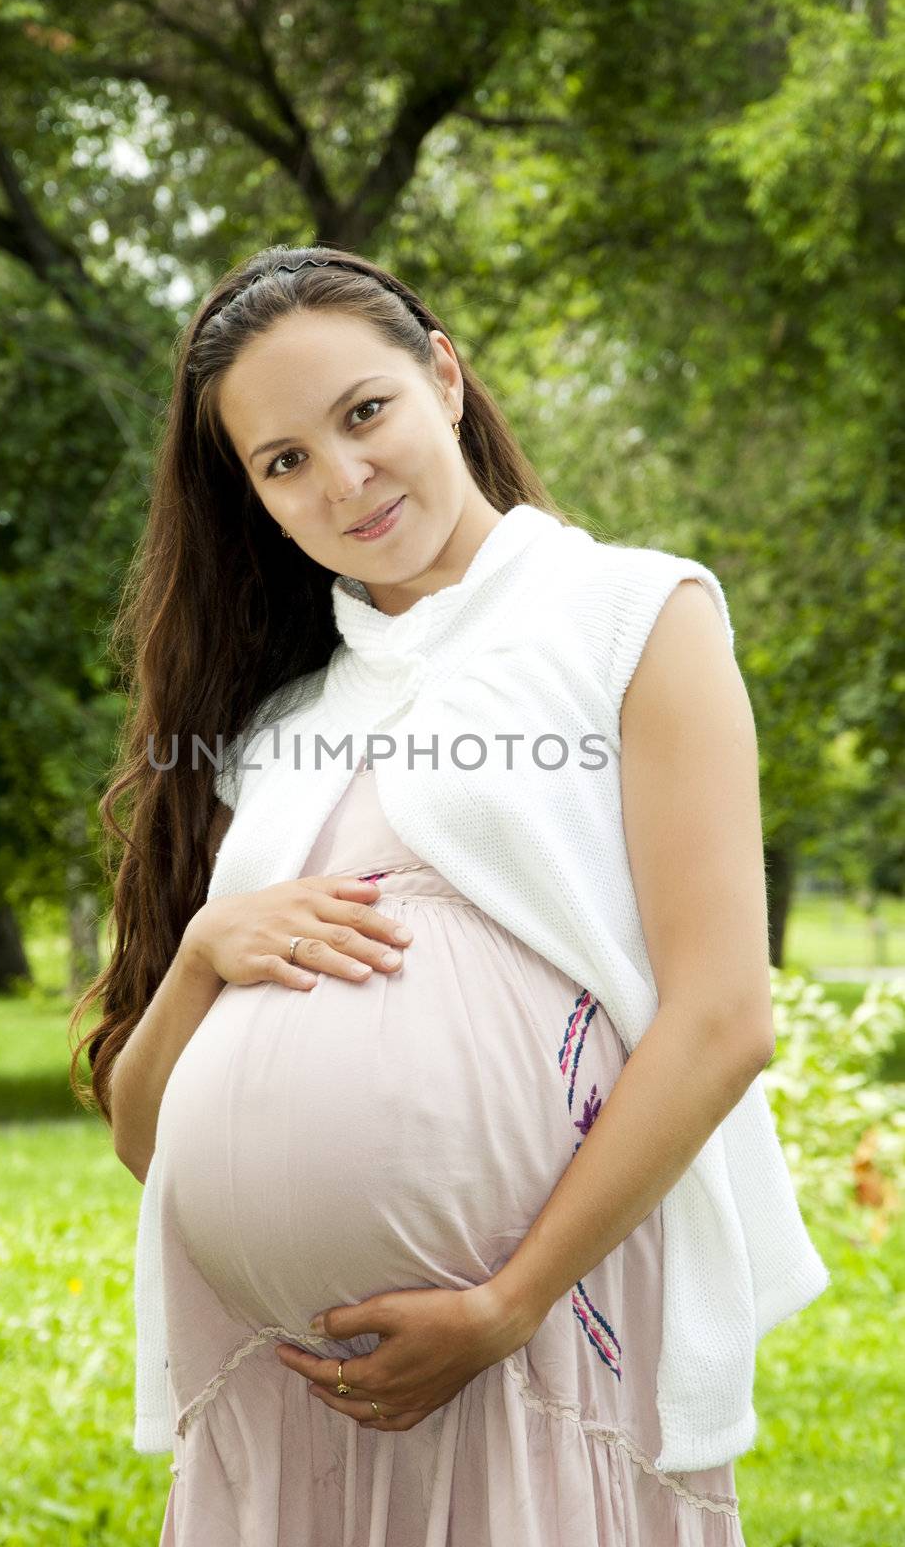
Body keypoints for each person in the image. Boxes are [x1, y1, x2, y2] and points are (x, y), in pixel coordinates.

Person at [69, 244, 828, 1546]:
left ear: (444, 377)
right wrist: (201, 956)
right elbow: (149, 1143)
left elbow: (723, 1019)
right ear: (252, 497)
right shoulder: (283, 728)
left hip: (532, 1350)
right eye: (284, 460)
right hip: (289, 1392)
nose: (344, 478)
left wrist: (508, 1304)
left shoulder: (628, 615)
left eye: (364, 413)